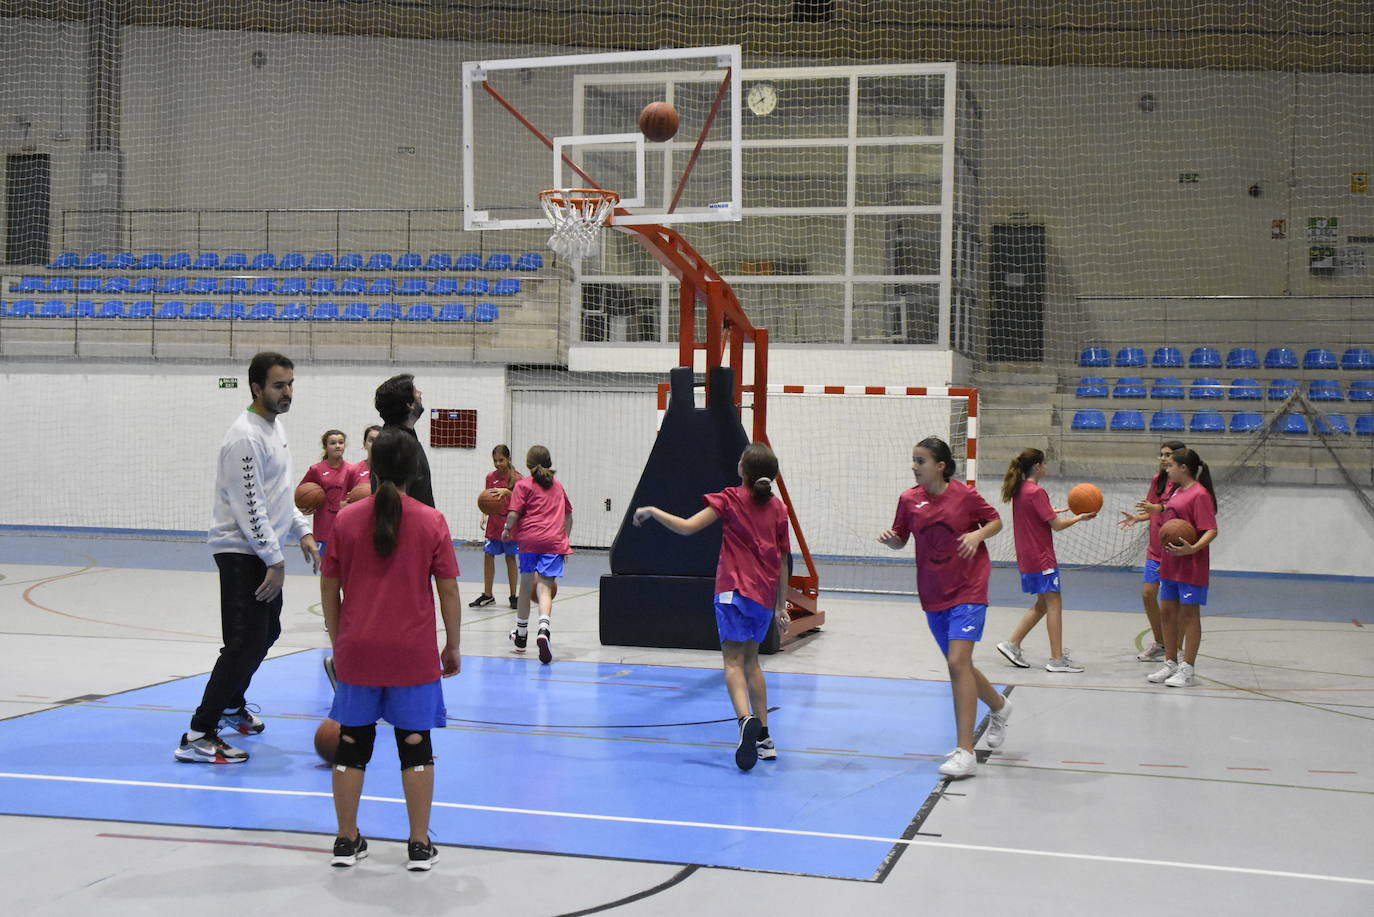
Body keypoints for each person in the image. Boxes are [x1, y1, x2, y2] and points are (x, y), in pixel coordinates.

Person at [320, 427, 461, 872]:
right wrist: (452, 644)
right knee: (416, 745)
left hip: (358, 650)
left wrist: (339, 637)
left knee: (350, 745)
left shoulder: (345, 520)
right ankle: (419, 846)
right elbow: (449, 592)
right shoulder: (431, 520)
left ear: (372, 467)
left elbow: (329, 587)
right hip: (412, 652)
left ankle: (346, 841)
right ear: (416, 471)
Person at [175, 351, 320, 764]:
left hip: (261, 552)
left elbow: (279, 493)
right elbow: (249, 505)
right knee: (243, 643)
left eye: (290, 383)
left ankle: (230, 705)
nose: (288, 391)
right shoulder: (245, 436)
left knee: (266, 634)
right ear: (256, 388)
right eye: (279, 385)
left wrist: (304, 532)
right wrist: (275, 560)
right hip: (242, 552)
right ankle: (199, 734)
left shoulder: (274, 429)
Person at [633, 443, 792, 771]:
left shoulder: (731, 498)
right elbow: (782, 560)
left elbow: (688, 526)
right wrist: (780, 606)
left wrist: (652, 511)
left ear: (743, 471)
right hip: (762, 596)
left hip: (732, 591)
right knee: (753, 662)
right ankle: (765, 738)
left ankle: (744, 720)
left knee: (732, 663)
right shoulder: (778, 509)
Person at [878, 437, 1009, 779]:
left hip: (970, 586)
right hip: (934, 591)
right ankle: (1000, 706)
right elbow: (902, 538)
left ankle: (965, 752)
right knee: (960, 665)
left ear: (940, 465)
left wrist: (977, 536)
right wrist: (893, 542)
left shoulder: (965, 496)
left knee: (956, 663)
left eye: (920, 461)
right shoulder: (908, 499)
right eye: (913, 460)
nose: (914, 466)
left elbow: (995, 521)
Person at [994, 448, 1097, 673]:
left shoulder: (1021, 489)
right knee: (1054, 602)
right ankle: (1056, 659)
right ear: (1038, 466)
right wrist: (1079, 517)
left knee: (1042, 604)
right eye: (1045, 463)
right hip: (1041, 558)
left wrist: (1052, 510)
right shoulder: (1036, 492)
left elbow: (1036, 515)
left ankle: (1012, 644)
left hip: (1027, 556)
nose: (1046, 467)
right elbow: (1057, 526)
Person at [1146, 447, 1218, 688]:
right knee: (1167, 612)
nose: (1167, 468)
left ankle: (1188, 668)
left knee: (1189, 615)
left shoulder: (1200, 494)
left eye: (1171, 465)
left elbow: (1211, 529)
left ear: (1183, 468)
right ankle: (1171, 663)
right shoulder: (1176, 492)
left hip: (1191, 563)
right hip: (1170, 563)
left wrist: (1193, 548)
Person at [502, 445, 572, 665]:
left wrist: (506, 529)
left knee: (525, 586)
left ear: (528, 464)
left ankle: (521, 636)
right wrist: (565, 541)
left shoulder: (523, 485)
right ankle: (544, 629)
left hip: (530, 539)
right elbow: (569, 516)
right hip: (553, 541)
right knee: (544, 587)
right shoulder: (558, 486)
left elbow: (513, 514)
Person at [1119, 441, 1187, 662]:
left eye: (1168, 455)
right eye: (1161, 455)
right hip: (1155, 549)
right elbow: (1153, 509)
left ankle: (1175, 648)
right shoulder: (1158, 481)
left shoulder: (1186, 485)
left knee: (1175, 602)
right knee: (1148, 594)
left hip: (1175, 551)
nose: (1163, 459)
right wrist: (1138, 517)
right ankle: (1160, 642)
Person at [470, 444, 522, 610]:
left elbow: (521, 501)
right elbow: (488, 500)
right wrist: (484, 514)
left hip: (510, 523)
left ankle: (514, 596)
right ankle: (487, 594)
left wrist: (507, 492)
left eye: (501, 460)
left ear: (509, 459)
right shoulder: (490, 477)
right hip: (494, 523)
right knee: (488, 555)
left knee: (510, 558)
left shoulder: (517, 478)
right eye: (495, 460)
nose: (498, 463)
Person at [374, 374, 434, 508]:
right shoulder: (393, 445)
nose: (420, 393)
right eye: (415, 391)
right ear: (410, 405)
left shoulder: (404, 437)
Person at [299, 429, 361, 557]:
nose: (338, 445)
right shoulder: (316, 469)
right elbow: (301, 494)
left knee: (344, 571)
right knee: (326, 572)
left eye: (341, 442)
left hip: (345, 528)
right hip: (323, 529)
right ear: (325, 447)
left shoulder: (352, 470)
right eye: (333, 443)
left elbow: (358, 497)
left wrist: (351, 505)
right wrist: (305, 506)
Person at [350, 425, 382, 495]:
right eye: (371, 440)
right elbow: (343, 502)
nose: (375, 444)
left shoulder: (392, 471)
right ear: (364, 444)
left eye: (378, 440)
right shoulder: (353, 470)